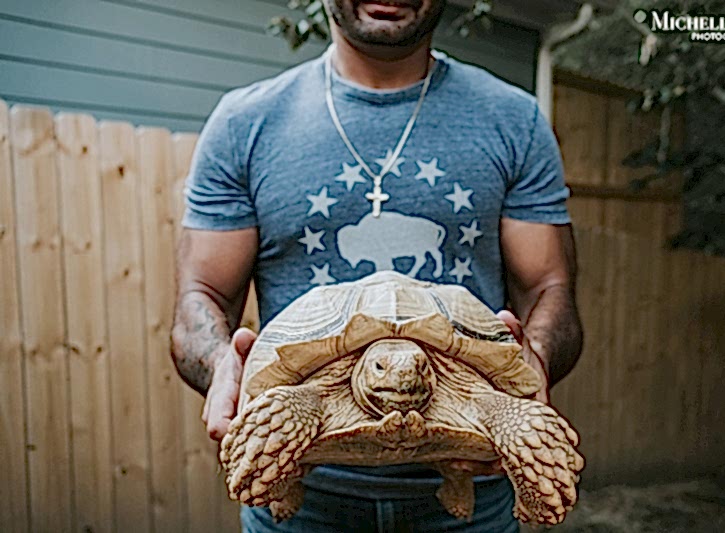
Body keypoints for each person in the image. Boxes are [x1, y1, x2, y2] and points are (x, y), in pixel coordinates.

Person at [170, 0, 583, 531]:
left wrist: (532, 367)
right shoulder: (243, 124)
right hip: (303, 484)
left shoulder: (515, 120)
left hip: (473, 488)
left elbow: (550, 286)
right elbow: (199, 294)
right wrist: (222, 364)